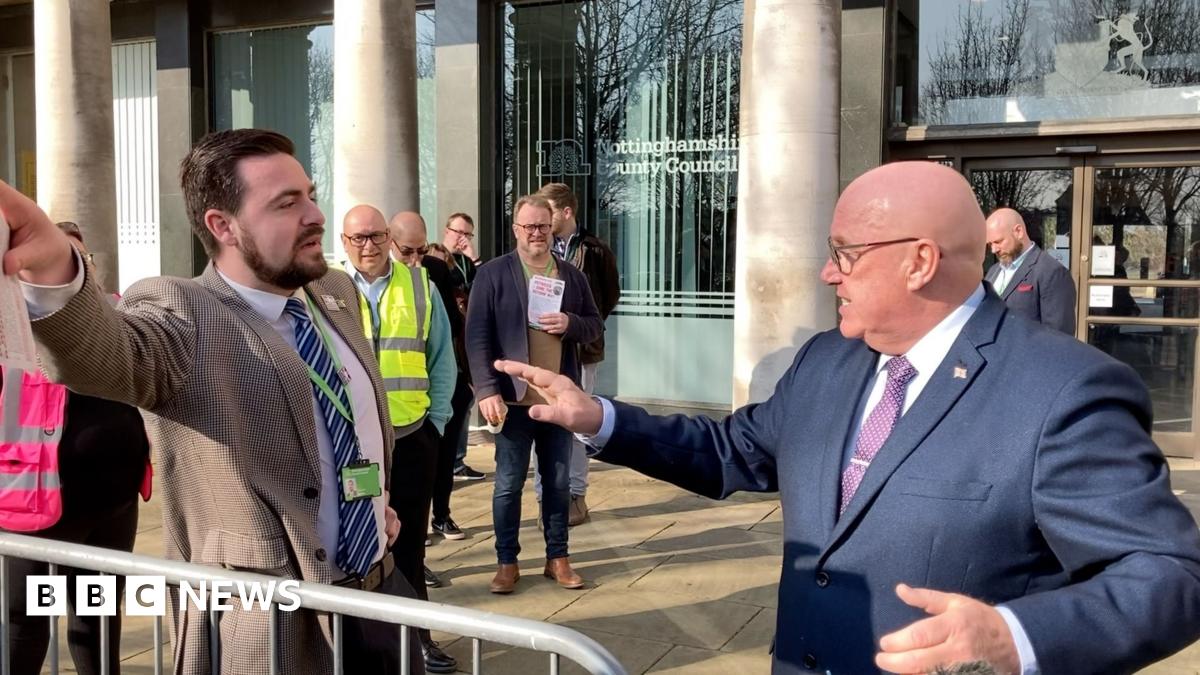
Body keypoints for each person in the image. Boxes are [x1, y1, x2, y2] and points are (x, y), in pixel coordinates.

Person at [494, 162, 1200, 674]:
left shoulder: (1063, 389)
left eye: (846, 254)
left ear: (921, 261)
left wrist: (1018, 636)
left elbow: (1169, 574)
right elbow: (733, 450)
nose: (828, 274)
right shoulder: (828, 359)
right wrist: (599, 417)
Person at [0, 129, 422, 674]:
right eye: (286, 204)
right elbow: (109, 355)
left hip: (379, 593)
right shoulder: (184, 311)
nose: (315, 214)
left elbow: (348, 427)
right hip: (270, 627)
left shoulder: (334, 292)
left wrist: (369, 502)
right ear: (223, 225)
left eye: (310, 194)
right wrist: (58, 268)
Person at [1, 223, 151, 675]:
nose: (73, 274)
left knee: (96, 617)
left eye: (81, 263)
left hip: (112, 508)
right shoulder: (12, 331)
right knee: (25, 623)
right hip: (34, 506)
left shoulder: (115, 318)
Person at [464, 194, 603, 594]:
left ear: (552, 226)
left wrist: (570, 322)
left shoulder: (570, 276)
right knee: (507, 484)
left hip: (557, 405)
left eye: (542, 226)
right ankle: (507, 562)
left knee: (558, 483)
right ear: (516, 230)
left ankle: (557, 558)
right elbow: (475, 337)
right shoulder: (493, 274)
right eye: (528, 227)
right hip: (511, 400)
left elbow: (594, 325)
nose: (536, 233)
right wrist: (486, 390)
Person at [342, 206, 456, 674]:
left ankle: (419, 641)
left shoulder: (420, 286)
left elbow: (443, 359)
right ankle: (360, 643)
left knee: (409, 544)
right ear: (344, 242)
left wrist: (438, 424)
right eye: (356, 238)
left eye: (374, 236)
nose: (366, 246)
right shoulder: (324, 290)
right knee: (359, 543)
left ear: (389, 236)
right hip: (355, 449)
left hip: (411, 440)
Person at [531, 183, 620, 526]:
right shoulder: (536, 247)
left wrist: (582, 327)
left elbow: (609, 296)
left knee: (581, 423)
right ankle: (545, 498)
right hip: (541, 351)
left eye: (548, 212)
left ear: (566, 213)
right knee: (545, 420)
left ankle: (577, 497)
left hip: (582, 351)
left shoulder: (595, 250)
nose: (542, 221)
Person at [440, 212, 485, 480]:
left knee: (465, 400)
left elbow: (484, 289)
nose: (462, 239)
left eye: (468, 234)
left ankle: (457, 460)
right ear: (447, 230)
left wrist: (474, 257)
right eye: (458, 232)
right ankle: (450, 460)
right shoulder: (438, 260)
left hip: (467, 340)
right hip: (450, 339)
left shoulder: (467, 262)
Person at [984, 208, 1077, 334]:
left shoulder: (1052, 272)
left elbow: (1059, 338)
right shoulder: (993, 271)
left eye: (998, 242)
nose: (994, 250)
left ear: (1019, 232)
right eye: (990, 244)